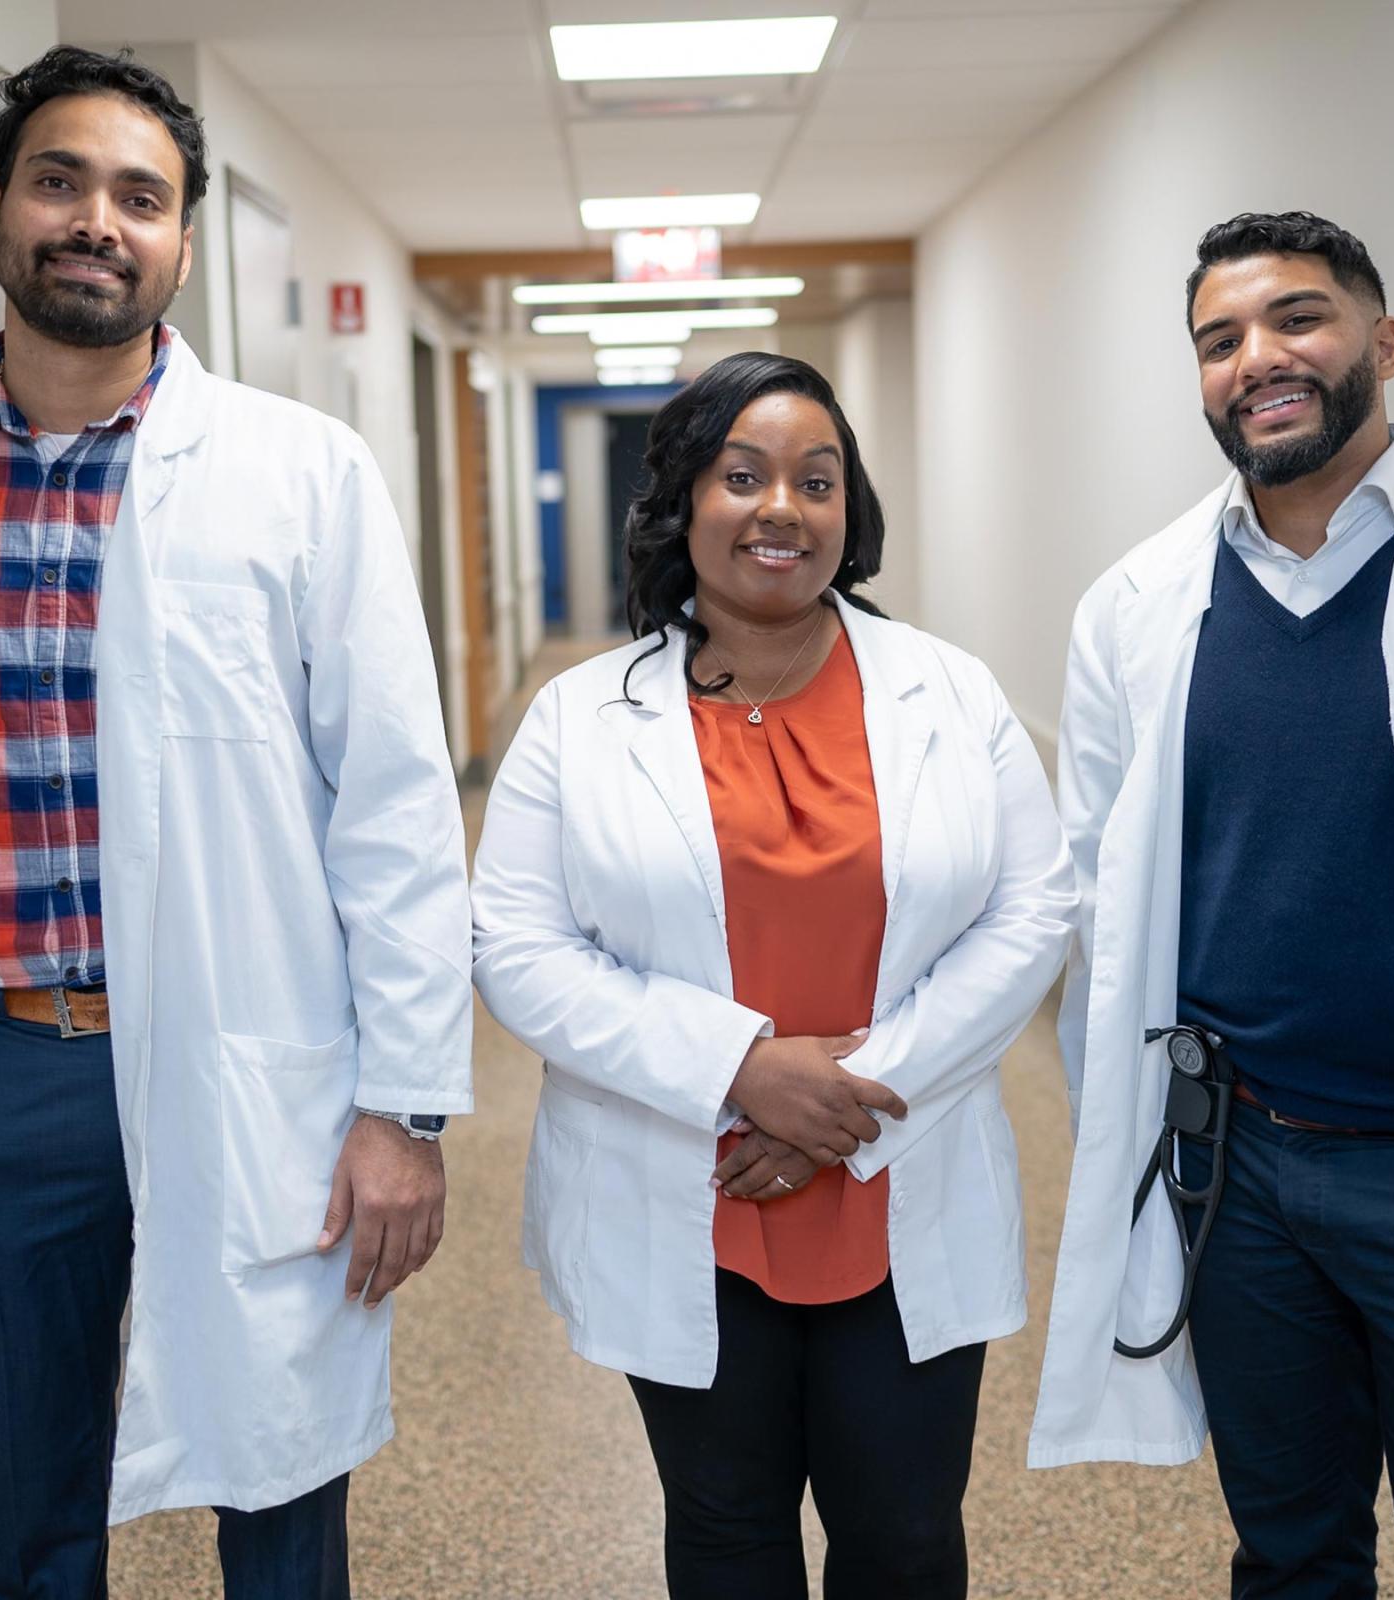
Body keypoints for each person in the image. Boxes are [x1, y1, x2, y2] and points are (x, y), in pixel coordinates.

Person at [0, 46, 471, 1597]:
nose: (97, 221)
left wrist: (406, 1107)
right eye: (60, 182)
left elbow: (393, 809)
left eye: (141, 196)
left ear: (182, 242)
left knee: (278, 1497)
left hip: (247, 1054)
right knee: (35, 1508)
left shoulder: (302, 477)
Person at [472, 352, 1076, 1600]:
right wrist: (740, 1067)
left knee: (905, 1537)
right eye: (741, 476)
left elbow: (1034, 907)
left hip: (895, 1170)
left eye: (817, 478)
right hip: (689, 1186)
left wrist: (849, 1096)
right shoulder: (579, 718)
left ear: (849, 511)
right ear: (684, 501)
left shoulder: (947, 693)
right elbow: (516, 946)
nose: (781, 508)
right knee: (726, 1529)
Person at [1031, 212, 1394, 1595]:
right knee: (1288, 1548)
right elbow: (1103, 892)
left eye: (1298, 320)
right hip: (1244, 1172)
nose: (1258, 359)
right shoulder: (1140, 606)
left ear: (1381, 345)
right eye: (1221, 341)